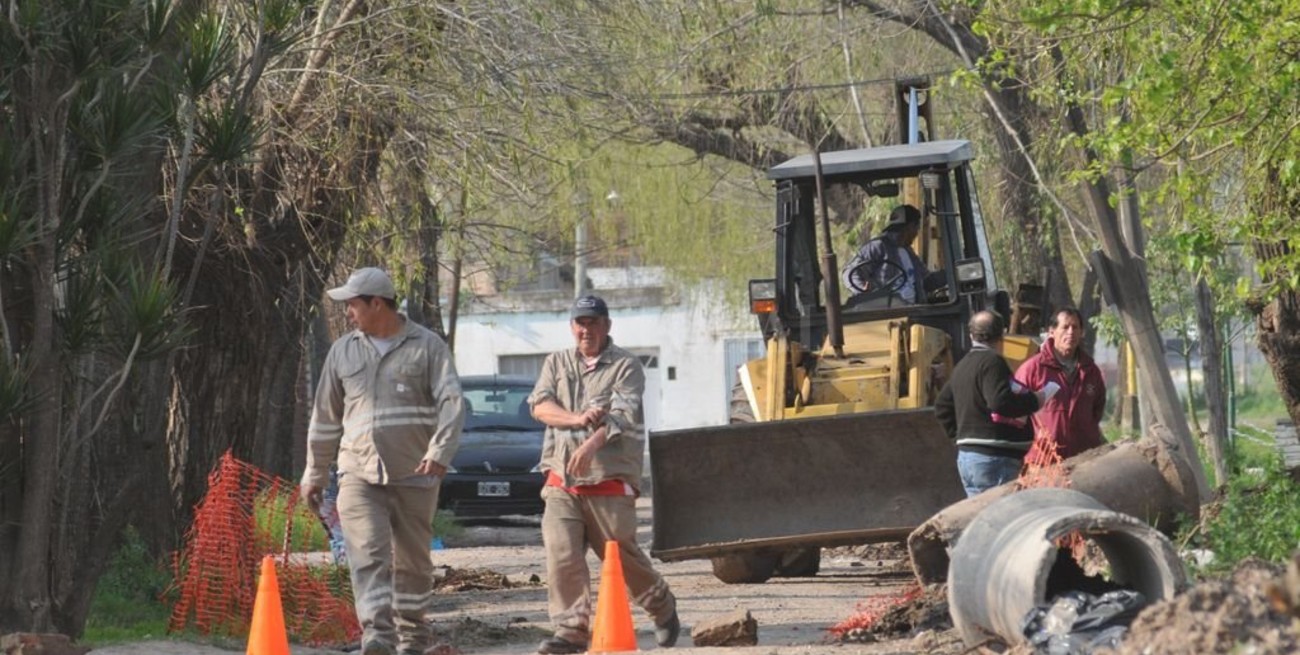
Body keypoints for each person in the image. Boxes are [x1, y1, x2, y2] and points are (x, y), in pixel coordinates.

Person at [300, 267, 465, 655]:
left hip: (416, 474)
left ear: (378, 303)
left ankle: (412, 638)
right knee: (367, 553)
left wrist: (439, 452)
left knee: (412, 563)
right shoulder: (343, 351)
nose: (348, 313)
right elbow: (325, 418)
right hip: (358, 472)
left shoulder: (428, 347)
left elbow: (452, 403)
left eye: (353, 305)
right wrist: (315, 472)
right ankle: (377, 636)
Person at [528, 295, 679, 655]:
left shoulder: (626, 365)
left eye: (593, 322)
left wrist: (590, 445)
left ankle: (661, 605)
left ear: (607, 326)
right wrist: (575, 420)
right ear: (571, 327)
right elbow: (539, 405)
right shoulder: (556, 362)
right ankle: (571, 631)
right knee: (561, 553)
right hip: (561, 480)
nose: (586, 330)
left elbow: (622, 416)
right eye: (580, 323)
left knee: (619, 555)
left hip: (609, 479)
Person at [934, 310, 1055, 496]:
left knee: (985, 519)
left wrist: (962, 439)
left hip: (968, 459)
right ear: (1002, 334)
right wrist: (1035, 400)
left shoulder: (962, 366)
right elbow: (1000, 401)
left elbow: (942, 406)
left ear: (971, 335)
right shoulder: (992, 362)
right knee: (1004, 519)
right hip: (995, 460)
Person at [1016, 307, 1107, 463]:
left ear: (1082, 332)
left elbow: (1097, 410)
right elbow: (1016, 411)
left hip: (1084, 460)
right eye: (1065, 327)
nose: (1070, 332)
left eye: (1075, 327)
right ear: (1052, 331)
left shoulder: (1091, 371)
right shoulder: (1033, 369)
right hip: (1043, 461)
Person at [841, 204, 932, 306]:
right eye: (917, 228)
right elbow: (849, 273)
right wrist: (863, 291)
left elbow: (927, 279)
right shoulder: (878, 246)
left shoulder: (909, 252)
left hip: (915, 308)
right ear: (910, 227)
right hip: (888, 310)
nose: (917, 233)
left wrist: (949, 275)